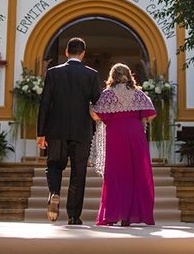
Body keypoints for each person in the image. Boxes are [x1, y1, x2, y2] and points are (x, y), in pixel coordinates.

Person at [37, 37, 101, 225]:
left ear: (66, 52)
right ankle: (74, 216)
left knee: (55, 165)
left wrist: (41, 132)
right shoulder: (91, 75)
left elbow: (45, 104)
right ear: (83, 54)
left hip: (56, 130)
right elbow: (97, 104)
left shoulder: (53, 73)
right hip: (81, 131)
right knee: (78, 172)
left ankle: (55, 191)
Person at [91, 63, 156, 226]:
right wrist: (136, 117)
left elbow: (96, 116)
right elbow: (151, 115)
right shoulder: (138, 93)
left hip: (116, 135)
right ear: (129, 75)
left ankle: (112, 215)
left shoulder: (107, 94)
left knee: (116, 175)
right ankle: (128, 217)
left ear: (112, 76)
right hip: (135, 134)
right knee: (136, 173)